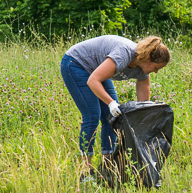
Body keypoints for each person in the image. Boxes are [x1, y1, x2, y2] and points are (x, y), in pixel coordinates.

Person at [60, 35, 171, 182]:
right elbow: (93, 81)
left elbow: (143, 103)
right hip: (76, 64)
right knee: (92, 115)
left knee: (111, 118)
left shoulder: (143, 70)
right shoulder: (124, 54)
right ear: (147, 59)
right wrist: (111, 103)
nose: (156, 72)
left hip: (95, 69)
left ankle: (107, 168)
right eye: (156, 68)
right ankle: (85, 172)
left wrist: (144, 118)